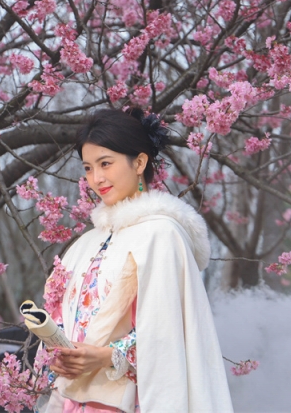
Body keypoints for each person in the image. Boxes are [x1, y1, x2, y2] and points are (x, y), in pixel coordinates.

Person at [36, 108, 233, 413]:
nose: (96, 178)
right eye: (88, 168)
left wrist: (108, 356)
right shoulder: (87, 243)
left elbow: (168, 332)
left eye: (106, 163)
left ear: (139, 162)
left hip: (133, 400)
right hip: (76, 402)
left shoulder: (161, 235)